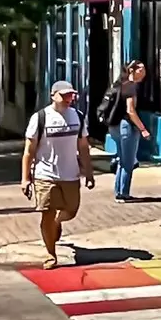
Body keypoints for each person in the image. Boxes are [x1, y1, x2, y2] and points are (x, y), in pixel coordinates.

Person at [21, 81, 93, 269]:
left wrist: (89, 172)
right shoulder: (40, 118)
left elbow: (83, 147)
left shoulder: (77, 116)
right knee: (47, 214)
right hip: (45, 174)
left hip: (71, 174)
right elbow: (29, 150)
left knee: (71, 210)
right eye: (64, 95)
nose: (69, 98)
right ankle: (50, 254)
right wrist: (25, 178)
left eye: (71, 95)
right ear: (53, 95)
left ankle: (58, 222)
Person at [100, 62, 150, 202]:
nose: (144, 72)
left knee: (122, 160)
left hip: (115, 127)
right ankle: (123, 193)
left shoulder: (120, 84)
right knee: (128, 162)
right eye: (141, 69)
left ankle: (119, 191)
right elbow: (130, 110)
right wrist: (143, 129)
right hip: (126, 127)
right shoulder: (131, 87)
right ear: (132, 70)